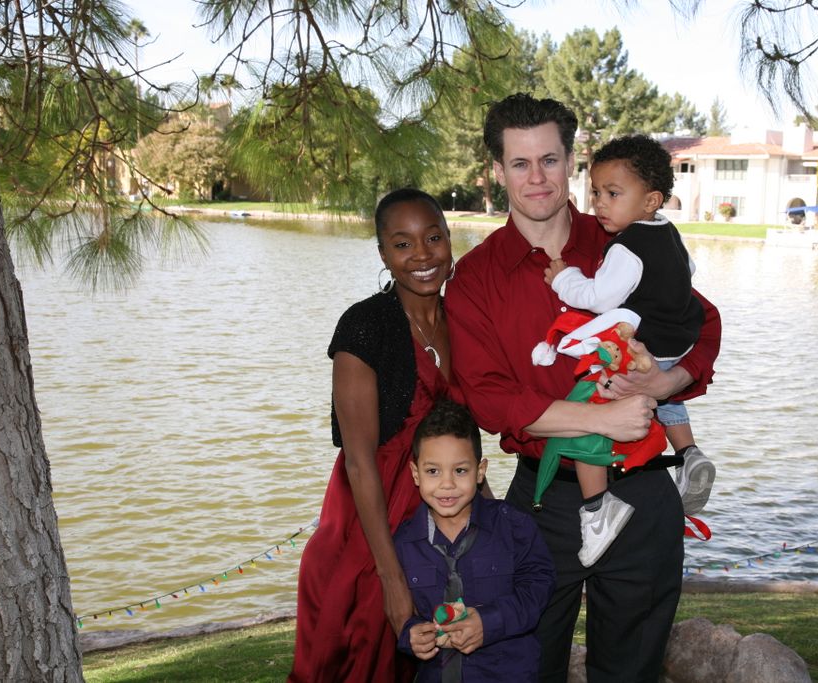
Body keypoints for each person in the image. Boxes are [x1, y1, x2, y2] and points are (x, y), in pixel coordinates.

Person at [445, 93, 721, 682]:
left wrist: (663, 379)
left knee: (630, 671)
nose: (537, 177)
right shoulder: (475, 279)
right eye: (520, 164)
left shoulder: (623, 240)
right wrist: (598, 420)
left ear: (571, 160)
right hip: (543, 503)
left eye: (549, 159)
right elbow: (489, 398)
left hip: (643, 495)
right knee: (528, 666)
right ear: (498, 170)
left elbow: (704, 323)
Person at [289, 188, 460, 682]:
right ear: (383, 253)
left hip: (437, 519)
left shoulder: (462, 320)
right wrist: (391, 578)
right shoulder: (364, 326)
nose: (422, 255)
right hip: (369, 531)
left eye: (433, 237)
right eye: (402, 244)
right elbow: (360, 460)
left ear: (450, 240)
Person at [543, 134, 717, 564]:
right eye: (597, 193)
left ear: (650, 200)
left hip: (647, 345)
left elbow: (600, 297)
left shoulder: (627, 245)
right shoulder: (669, 233)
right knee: (662, 393)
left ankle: (598, 508)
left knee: (589, 407)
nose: (601, 203)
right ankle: (690, 454)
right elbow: (688, 275)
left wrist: (563, 277)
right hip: (678, 342)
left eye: (614, 194)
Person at [393, 398, 556, 682]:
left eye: (460, 470)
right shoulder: (404, 543)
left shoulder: (515, 527)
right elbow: (407, 613)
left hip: (507, 673)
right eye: (433, 471)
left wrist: (488, 622)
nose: (447, 483)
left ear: (480, 471)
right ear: (415, 474)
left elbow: (538, 590)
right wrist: (412, 636)